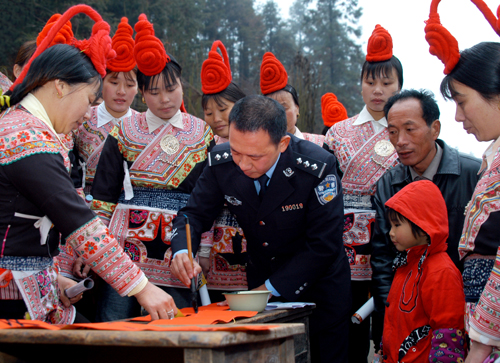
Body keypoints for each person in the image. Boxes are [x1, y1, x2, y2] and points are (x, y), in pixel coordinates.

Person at [0, 5, 177, 324]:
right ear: (60, 86)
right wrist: (141, 286)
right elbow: (79, 222)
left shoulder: (31, 130)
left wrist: (54, 281)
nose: (87, 113)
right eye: (89, 99)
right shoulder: (25, 139)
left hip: (28, 289)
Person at [170, 95, 351, 363]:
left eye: (255, 156)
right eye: (235, 152)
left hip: (319, 285)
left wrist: (266, 290)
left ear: (283, 143)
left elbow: (323, 244)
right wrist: (182, 250)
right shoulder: (220, 163)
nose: (242, 164)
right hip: (260, 277)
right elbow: (193, 214)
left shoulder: (316, 167)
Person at [90, 14, 214, 321]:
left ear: (181, 88)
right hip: (126, 245)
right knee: (116, 325)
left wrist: (206, 249)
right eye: (154, 92)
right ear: (142, 93)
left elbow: (209, 198)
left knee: (180, 330)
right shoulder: (124, 131)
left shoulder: (202, 133)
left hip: (180, 244)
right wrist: (95, 248)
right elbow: (104, 194)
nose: (164, 99)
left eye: (171, 89)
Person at [371, 89, 481, 356]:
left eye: (410, 129)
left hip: (459, 318)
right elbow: (383, 257)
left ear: (435, 129)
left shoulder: (473, 175)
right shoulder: (389, 183)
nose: (401, 141)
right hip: (406, 319)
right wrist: (395, 313)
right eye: (393, 131)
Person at [322, 24, 402, 361]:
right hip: (344, 240)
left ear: (400, 85)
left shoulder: (405, 131)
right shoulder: (338, 132)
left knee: (391, 314)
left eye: (387, 82)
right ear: (360, 85)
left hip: (392, 232)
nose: (378, 90)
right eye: (371, 82)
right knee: (347, 317)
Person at [381, 180, 465, 362]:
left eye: (397, 225)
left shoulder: (441, 271)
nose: (391, 233)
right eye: (390, 226)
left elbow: (447, 327)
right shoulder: (406, 263)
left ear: (422, 222)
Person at [200, 40, 248, 300]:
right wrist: (205, 249)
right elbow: (204, 206)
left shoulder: (259, 144)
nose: (216, 118)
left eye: (222, 109)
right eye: (208, 112)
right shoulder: (208, 149)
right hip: (218, 243)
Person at [260, 52, 325, 146]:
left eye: (284, 107)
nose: (278, 114)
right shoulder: (256, 148)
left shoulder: (319, 144)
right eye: (270, 108)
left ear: (297, 108)